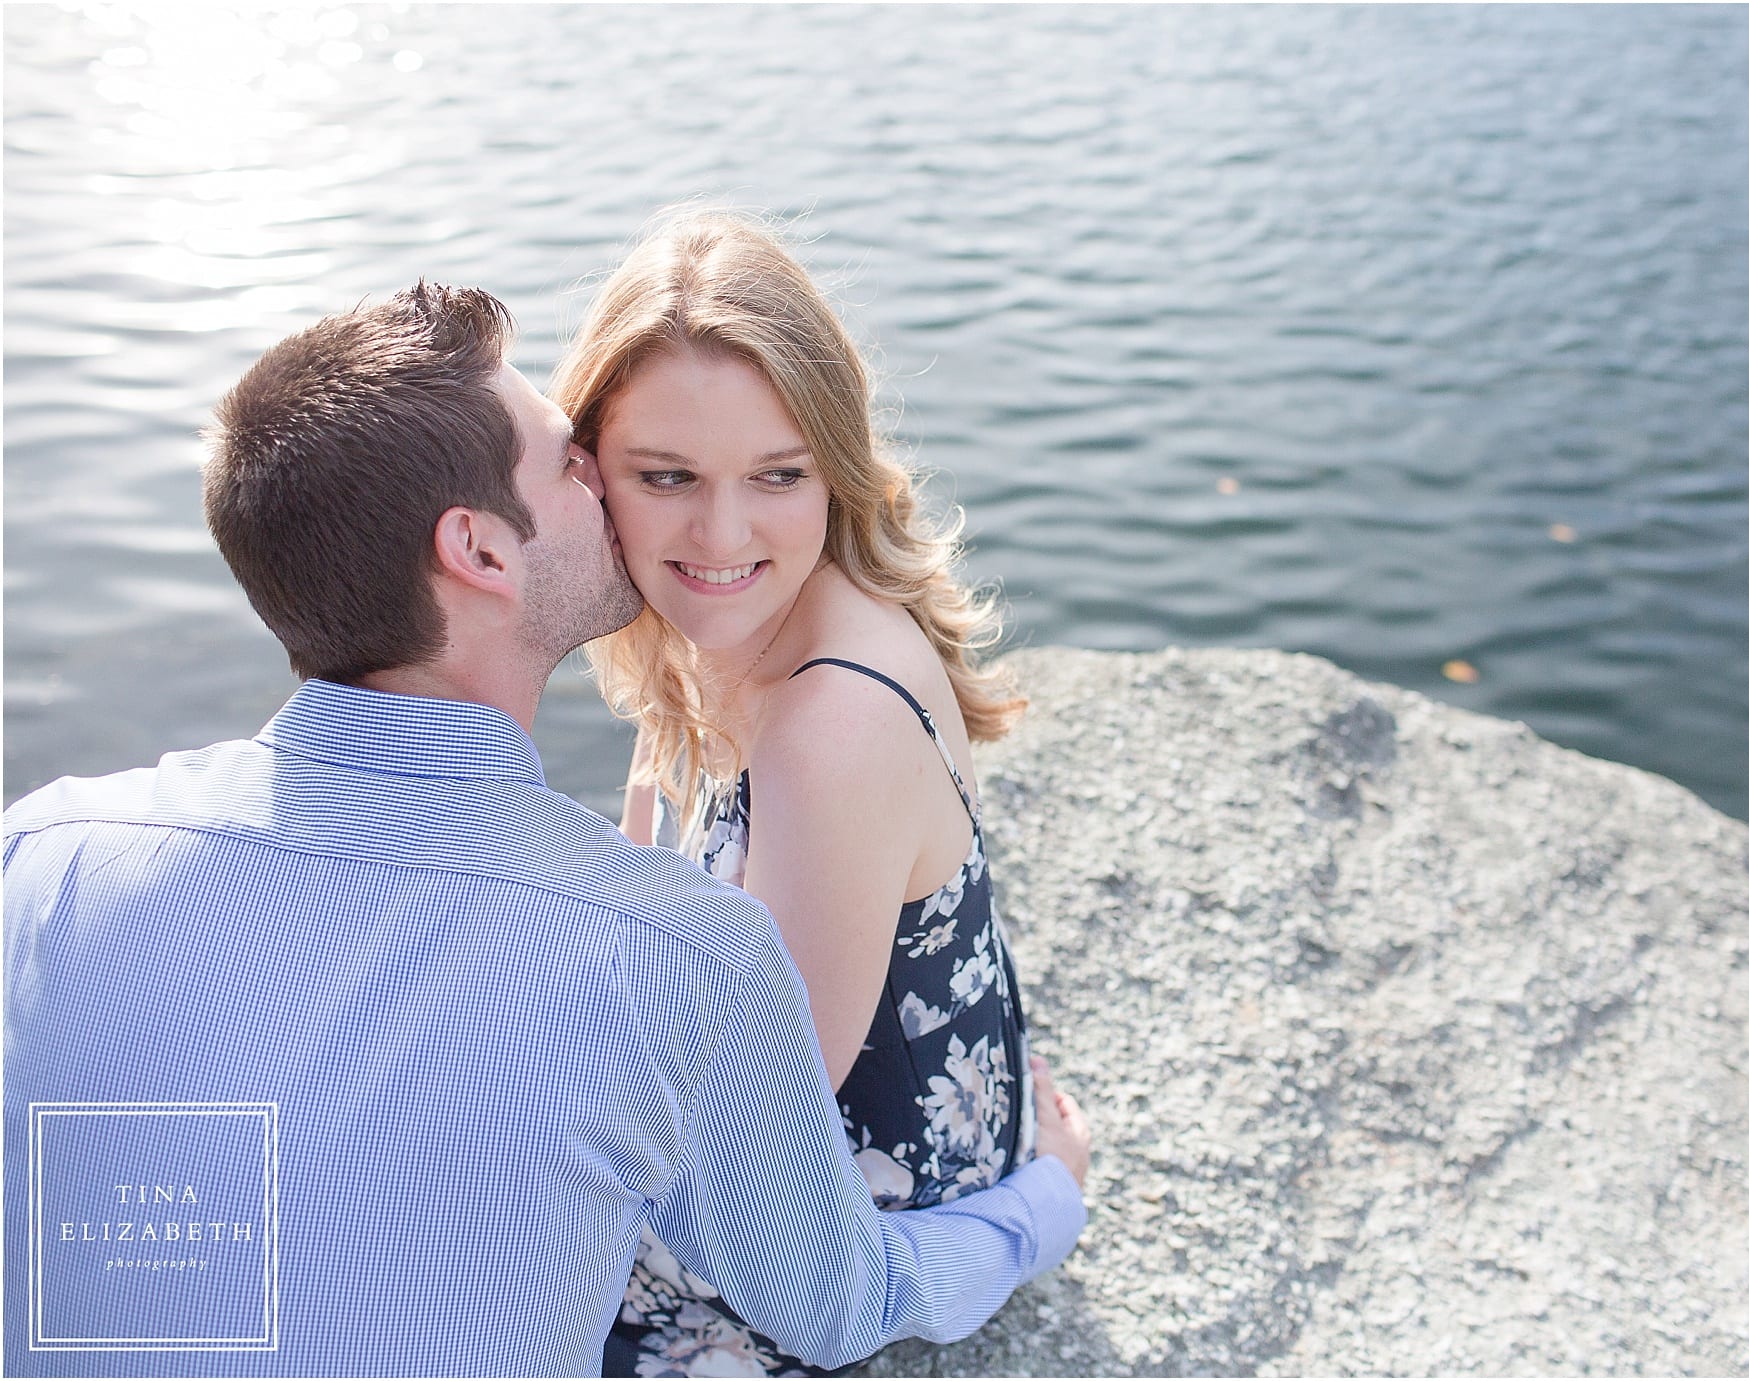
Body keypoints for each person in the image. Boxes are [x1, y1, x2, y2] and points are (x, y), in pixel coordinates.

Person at [2, 283, 1089, 1378]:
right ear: (479, 550)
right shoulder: (680, 960)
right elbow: (835, 1300)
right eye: (576, 461)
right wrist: (1042, 1200)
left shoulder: (45, 857)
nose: (609, 490)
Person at [552, 211, 1060, 1377]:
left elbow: (757, 1126)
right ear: (590, 476)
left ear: (831, 466)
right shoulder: (752, 621)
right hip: (844, 1116)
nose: (720, 532)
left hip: (865, 1198)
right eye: (665, 475)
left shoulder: (830, 727)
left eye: (776, 476)